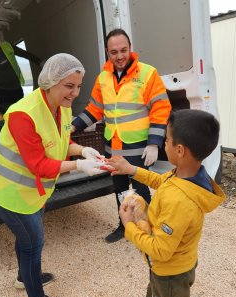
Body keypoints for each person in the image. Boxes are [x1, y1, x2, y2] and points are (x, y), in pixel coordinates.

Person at [0, 53, 105, 297]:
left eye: (78, 86)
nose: (74, 93)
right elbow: (38, 165)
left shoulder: (61, 106)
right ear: (50, 82)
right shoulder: (22, 114)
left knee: (26, 241)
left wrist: (82, 151)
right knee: (32, 243)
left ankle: (23, 278)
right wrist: (78, 166)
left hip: (32, 192)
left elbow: (60, 143)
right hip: (11, 194)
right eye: (69, 86)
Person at [105, 109, 226, 297]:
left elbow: (161, 250)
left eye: (167, 140)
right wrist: (131, 170)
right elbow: (161, 182)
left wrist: (129, 225)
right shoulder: (188, 175)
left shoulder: (179, 201)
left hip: (170, 274)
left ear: (180, 150)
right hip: (171, 267)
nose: (163, 144)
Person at [71, 28, 172, 243]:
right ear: (107, 52)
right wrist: (72, 127)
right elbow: (94, 110)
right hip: (113, 147)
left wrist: (154, 143)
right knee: (118, 188)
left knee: (141, 188)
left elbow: (161, 108)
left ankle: (149, 229)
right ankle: (124, 226)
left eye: (123, 50)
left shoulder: (147, 73)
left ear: (130, 49)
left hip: (138, 146)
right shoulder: (103, 78)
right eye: (114, 52)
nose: (119, 56)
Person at [0, 30, 42, 113]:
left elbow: (24, 54)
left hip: (16, 88)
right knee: (7, 114)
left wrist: (39, 62)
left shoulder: (7, 46)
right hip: (1, 92)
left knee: (21, 111)